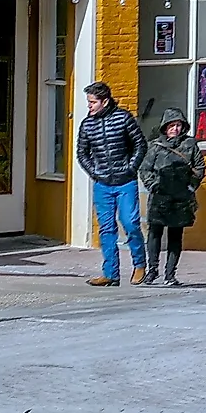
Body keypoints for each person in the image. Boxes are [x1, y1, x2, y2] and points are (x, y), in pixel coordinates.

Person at [74, 82, 146, 286]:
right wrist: (95, 172)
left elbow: (140, 144)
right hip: (102, 183)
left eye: (93, 102)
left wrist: (131, 168)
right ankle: (110, 274)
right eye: (88, 102)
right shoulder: (87, 125)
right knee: (106, 229)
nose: (89, 106)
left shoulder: (123, 118)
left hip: (125, 181)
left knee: (130, 223)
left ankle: (140, 263)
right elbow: (82, 153)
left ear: (104, 101)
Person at [140, 113, 206, 287]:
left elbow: (199, 167)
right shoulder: (155, 147)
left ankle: (170, 274)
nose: (175, 129)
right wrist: (154, 185)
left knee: (176, 235)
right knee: (154, 233)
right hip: (160, 196)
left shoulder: (190, 145)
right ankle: (152, 270)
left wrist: (190, 186)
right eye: (171, 126)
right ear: (165, 127)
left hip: (181, 197)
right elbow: (145, 169)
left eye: (178, 125)